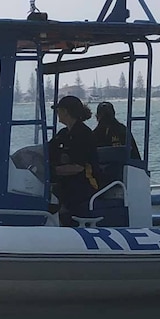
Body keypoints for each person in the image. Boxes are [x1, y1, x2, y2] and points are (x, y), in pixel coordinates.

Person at [48, 95, 99, 226]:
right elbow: (47, 150)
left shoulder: (84, 134)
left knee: (60, 195)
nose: (57, 113)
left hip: (84, 183)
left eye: (58, 110)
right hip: (67, 182)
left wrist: (51, 171)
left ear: (65, 111)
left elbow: (78, 167)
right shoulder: (63, 134)